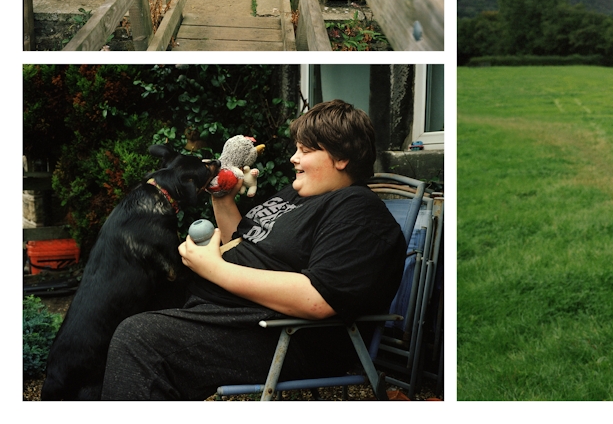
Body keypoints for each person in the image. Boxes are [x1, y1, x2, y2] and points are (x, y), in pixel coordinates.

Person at [101, 100, 407, 400]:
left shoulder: (358, 212)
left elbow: (318, 299)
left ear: (341, 158)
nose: (293, 159)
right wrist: (222, 200)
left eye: (306, 150)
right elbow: (249, 239)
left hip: (282, 335)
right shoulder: (302, 193)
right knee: (111, 313)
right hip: (229, 310)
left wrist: (215, 269)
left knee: (139, 340)